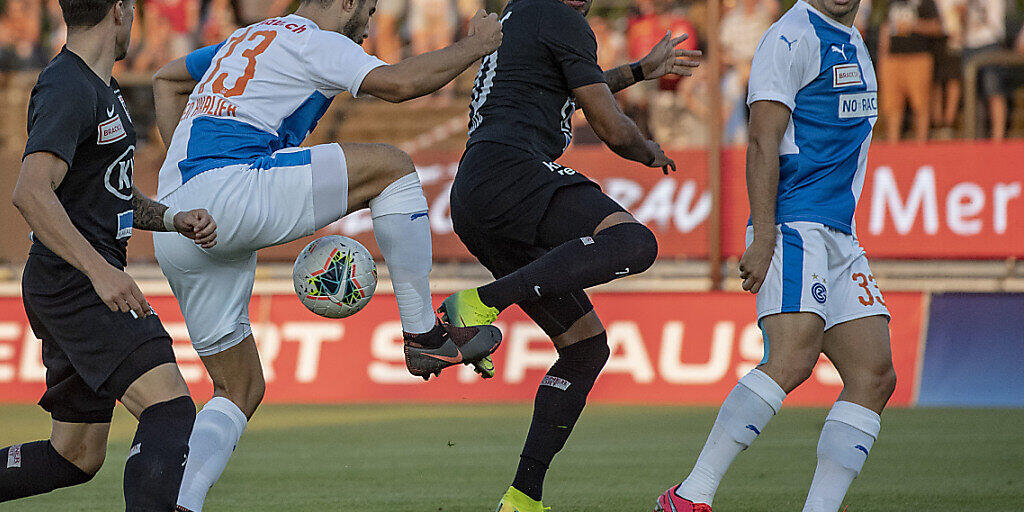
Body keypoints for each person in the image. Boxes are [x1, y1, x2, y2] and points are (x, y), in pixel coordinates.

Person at [148, 1, 503, 510]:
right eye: (371, 9)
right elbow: (399, 85)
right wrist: (477, 45)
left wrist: (185, 182)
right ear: (347, 3)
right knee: (394, 169)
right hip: (231, 189)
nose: (369, 24)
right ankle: (423, 334)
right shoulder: (312, 40)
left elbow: (165, 78)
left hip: (175, 218)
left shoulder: (248, 39)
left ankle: (182, 504)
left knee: (239, 386)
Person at [426, 0, 700, 509]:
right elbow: (611, 128)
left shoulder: (521, 15)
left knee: (586, 348)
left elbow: (567, 91)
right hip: (514, 170)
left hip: (476, 192)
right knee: (635, 242)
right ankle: (479, 302)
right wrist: (647, 150)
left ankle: (523, 496)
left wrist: (640, 70)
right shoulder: (560, 17)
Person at [656, 0, 896, 511]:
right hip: (794, 221)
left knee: (875, 374)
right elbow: (762, 140)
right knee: (792, 357)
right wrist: (763, 235)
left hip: (839, 233)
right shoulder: (790, 37)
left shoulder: (853, 38)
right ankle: (689, 496)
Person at [1, 0, 219, 509]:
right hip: (76, 282)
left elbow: (110, 190)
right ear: (120, 11)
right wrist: (101, 272)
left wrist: (169, 218)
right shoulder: (67, 86)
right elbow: (31, 191)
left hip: (70, 281)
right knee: (169, 408)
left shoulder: (102, 88)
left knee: (74, 455)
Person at [880, 0, 943, 141]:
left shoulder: (926, 3)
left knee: (920, 105)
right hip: (893, 58)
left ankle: (921, 145)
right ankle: (893, 146)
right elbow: (885, 28)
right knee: (892, 107)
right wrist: (883, 58)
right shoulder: (891, 2)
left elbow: (937, 27)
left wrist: (913, 26)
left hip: (918, 57)